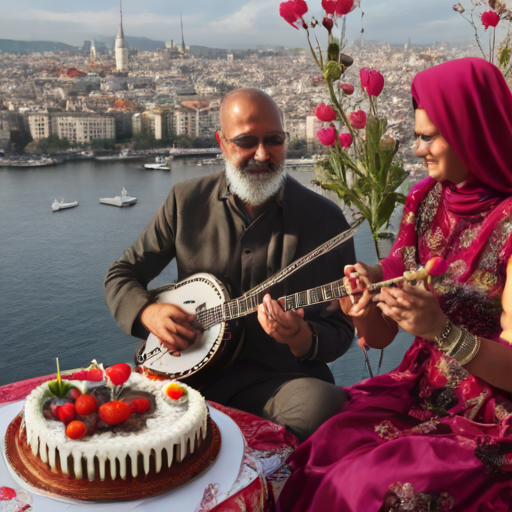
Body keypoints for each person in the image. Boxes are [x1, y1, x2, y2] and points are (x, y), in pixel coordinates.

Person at [278, 57, 512, 511]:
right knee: (323, 451)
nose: (418, 150)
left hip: (491, 412)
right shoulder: (426, 201)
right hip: (421, 387)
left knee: (365, 485)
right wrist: (363, 300)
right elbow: (381, 334)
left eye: (428, 137)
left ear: (471, 131)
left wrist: (441, 332)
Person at [104, 88, 356, 441]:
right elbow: (122, 274)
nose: (263, 154)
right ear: (222, 143)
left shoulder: (325, 222)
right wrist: (149, 314)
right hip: (185, 372)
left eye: (274, 140)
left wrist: (301, 337)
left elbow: (342, 328)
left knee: (323, 403)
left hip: (278, 381)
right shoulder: (185, 201)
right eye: (246, 141)